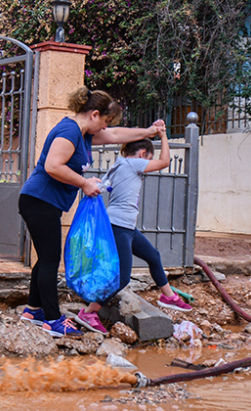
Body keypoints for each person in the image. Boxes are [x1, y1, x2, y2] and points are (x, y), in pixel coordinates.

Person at [18, 88, 163, 337]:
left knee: (45, 258)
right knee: (50, 260)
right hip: (39, 200)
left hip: (44, 202)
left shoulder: (83, 134)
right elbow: (53, 165)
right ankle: (53, 320)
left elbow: (116, 134)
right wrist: (84, 183)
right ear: (95, 115)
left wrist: (149, 132)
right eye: (104, 121)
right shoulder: (70, 131)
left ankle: (33, 310)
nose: (105, 127)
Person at [72, 125, 191, 335]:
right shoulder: (133, 163)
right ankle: (90, 312)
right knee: (122, 277)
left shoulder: (117, 165)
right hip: (120, 226)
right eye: (148, 159)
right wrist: (163, 135)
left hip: (124, 226)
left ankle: (168, 296)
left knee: (153, 256)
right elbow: (164, 162)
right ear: (144, 154)